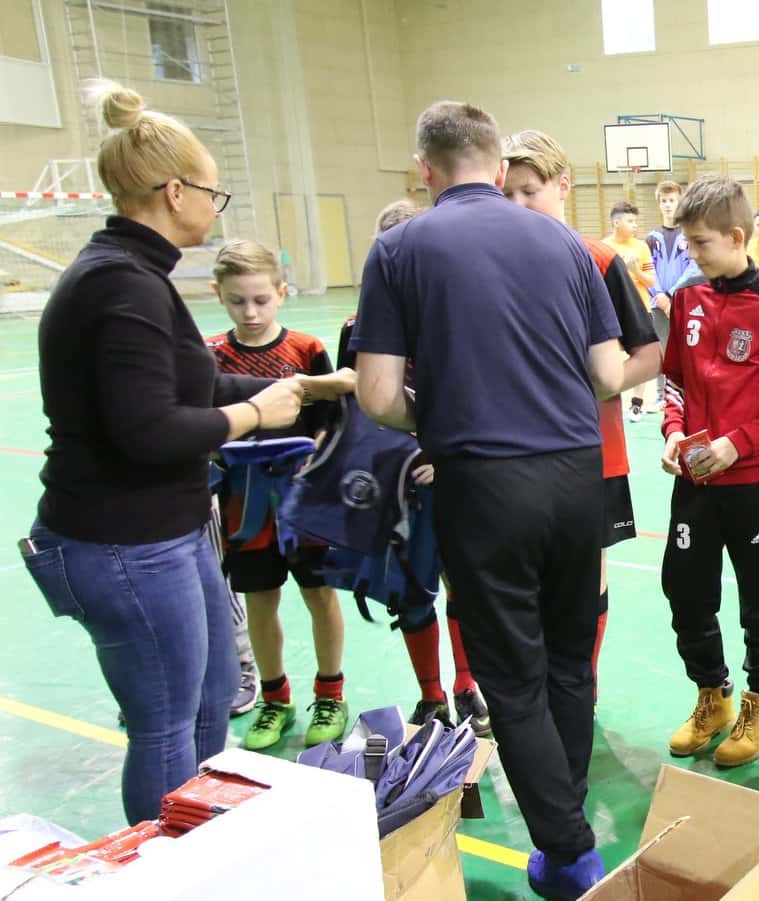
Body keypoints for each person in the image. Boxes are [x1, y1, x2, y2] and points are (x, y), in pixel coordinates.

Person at [351, 100, 625, 898]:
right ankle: (568, 820)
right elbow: (609, 372)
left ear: (425, 170)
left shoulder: (398, 248)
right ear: (499, 168)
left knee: (512, 675)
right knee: (570, 658)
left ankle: (569, 852)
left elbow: (377, 394)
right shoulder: (563, 241)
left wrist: (443, 410)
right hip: (576, 472)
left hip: (482, 480)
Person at [28, 82, 305, 824]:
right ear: (176, 192)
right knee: (165, 724)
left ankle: (195, 837)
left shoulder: (136, 275)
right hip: (122, 541)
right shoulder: (121, 285)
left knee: (212, 697)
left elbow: (187, 382)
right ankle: (162, 855)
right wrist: (255, 414)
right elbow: (148, 430)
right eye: (213, 193)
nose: (216, 207)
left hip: (168, 533)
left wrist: (305, 389)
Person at [500, 128, 663, 692]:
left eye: (530, 191)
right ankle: (531, 685)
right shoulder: (489, 262)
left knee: (586, 574)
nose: (518, 205)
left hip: (592, 452)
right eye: (507, 194)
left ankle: (581, 685)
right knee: (521, 576)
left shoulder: (598, 260)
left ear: (563, 186)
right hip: (512, 453)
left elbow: (650, 354)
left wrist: (586, 390)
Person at [658, 175, 759, 769]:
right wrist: (674, 431)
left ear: (737, 237)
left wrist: (737, 444)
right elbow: (673, 377)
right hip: (693, 481)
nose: (691, 254)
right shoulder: (688, 299)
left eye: (701, 243)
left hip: (752, 484)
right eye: (688, 243)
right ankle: (712, 696)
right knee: (685, 590)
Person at [336, 200, 492, 737]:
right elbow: (364, 410)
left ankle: (467, 686)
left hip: (455, 476)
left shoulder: (460, 319)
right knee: (409, 590)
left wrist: (445, 455)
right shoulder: (360, 327)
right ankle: (431, 696)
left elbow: (479, 399)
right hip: (396, 481)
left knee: (462, 585)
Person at [205, 240, 349, 751]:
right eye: (237, 301)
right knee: (260, 598)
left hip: (306, 503)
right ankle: (274, 698)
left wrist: (316, 459)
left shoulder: (306, 350)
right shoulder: (211, 356)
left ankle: (330, 694)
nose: (250, 311)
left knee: (319, 594)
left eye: (261, 300)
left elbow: (333, 421)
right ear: (218, 295)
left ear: (281, 293)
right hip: (244, 506)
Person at [602, 200, 657, 423]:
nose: (635, 225)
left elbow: (651, 281)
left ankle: (637, 404)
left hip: (640, 309)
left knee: (642, 356)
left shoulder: (641, 247)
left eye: (636, 221)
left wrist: (634, 270)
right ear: (616, 223)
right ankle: (608, 402)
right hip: (611, 311)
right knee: (609, 357)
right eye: (630, 221)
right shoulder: (604, 248)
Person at [647, 180, 700, 407]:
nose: (668, 205)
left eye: (672, 200)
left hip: (684, 301)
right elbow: (647, 268)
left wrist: (671, 294)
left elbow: (694, 267)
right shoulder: (652, 237)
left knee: (688, 349)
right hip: (658, 304)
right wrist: (659, 294)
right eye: (663, 201)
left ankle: (689, 394)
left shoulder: (689, 234)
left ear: (680, 202)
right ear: (658, 204)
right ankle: (662, 395)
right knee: (662, 349)